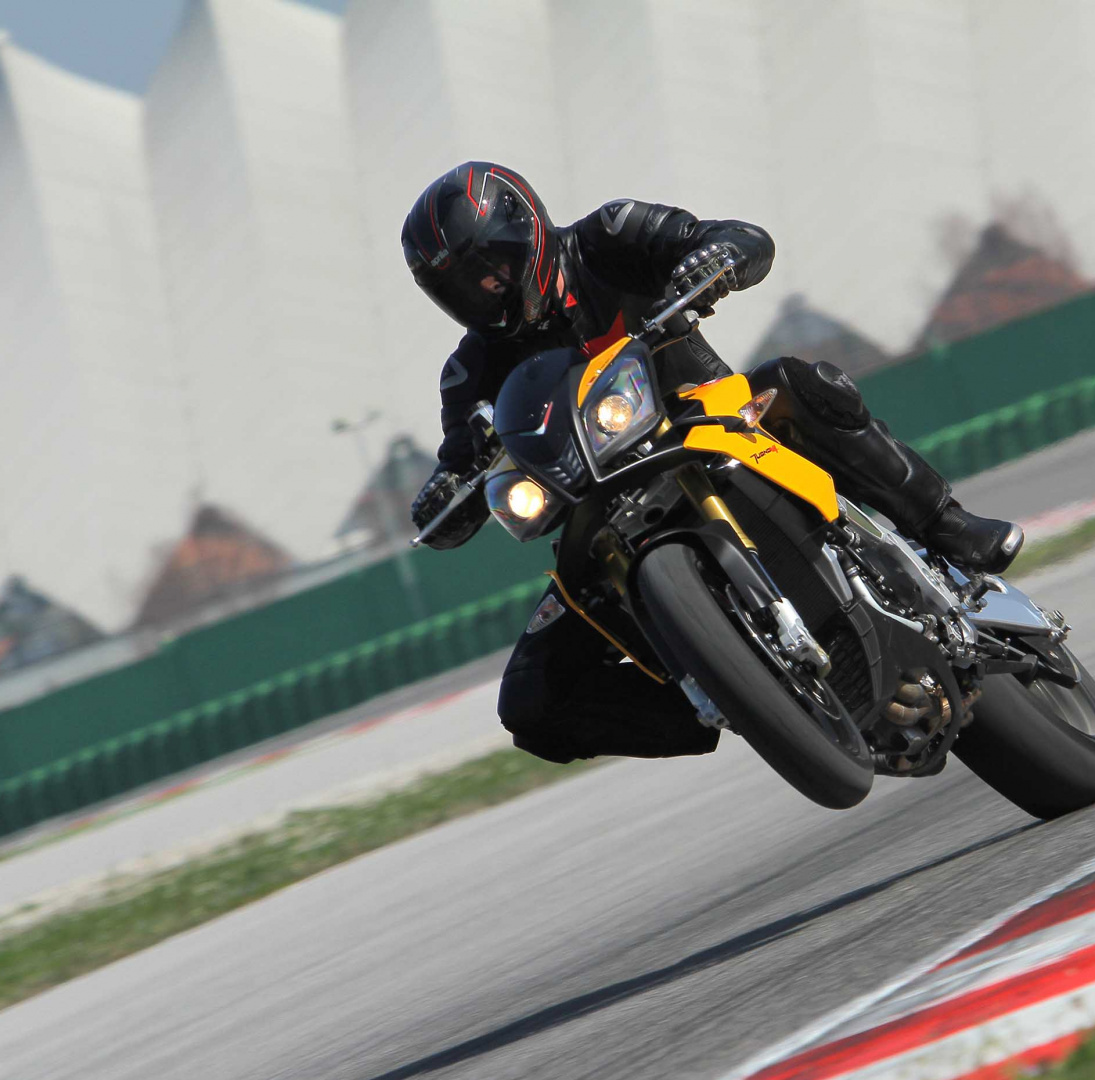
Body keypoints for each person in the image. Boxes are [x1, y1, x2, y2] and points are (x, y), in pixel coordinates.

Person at [402, 161, 1021, 764]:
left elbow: (741, 238)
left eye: (493, 265)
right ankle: (736, 696)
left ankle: (946, 524)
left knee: (796, 384)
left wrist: (715, 255)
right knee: (530, 702)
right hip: (595, 508)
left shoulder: (607, 237)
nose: (487, 289)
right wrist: (442, 493)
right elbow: (459, 463)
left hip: (710, 419)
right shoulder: (468, 373)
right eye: (463, 286)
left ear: (528, 231)